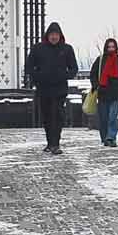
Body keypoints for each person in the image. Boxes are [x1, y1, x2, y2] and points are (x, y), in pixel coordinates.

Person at [24, 22, 76, 154]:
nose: (54, 37)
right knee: (47, 116)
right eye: (52, 34)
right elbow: (29, 67)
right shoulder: (38, 48)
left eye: (56, 34)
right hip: (44, 88)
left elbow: (74, 69)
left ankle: (56, 144)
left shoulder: (67, 49)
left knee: (58, 115)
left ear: (60, 36)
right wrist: (38, 77)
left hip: (60, 89)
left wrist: (63, 75)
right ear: (47, 35)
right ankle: (49, 143)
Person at [90, 38, 118, 147]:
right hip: (103, 92)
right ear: (106, 48)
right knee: (103, 117)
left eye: (113, 47)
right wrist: (95, 85)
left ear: (116, 48)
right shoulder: (100, 60)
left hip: (116, 93)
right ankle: (104, 138)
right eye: (109, 47)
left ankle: (111, 137)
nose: (111, 49)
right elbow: (93, 73)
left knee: (113, 116)